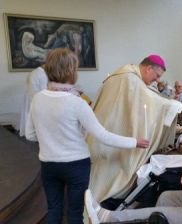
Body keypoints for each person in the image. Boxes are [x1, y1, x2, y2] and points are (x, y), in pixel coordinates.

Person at [24, 48, 149, 224]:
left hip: (48, 165)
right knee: (75, 213)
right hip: (76, 166)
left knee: (53, 210)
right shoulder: (76, 103)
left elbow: (30, 134)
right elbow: (102, 135)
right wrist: (134, 142)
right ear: (71, 71)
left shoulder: (37, 99)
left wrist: (51, 138)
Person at [87, 55, 182, 202]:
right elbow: (153, 101)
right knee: (108, 176)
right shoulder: (130, 80)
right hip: (112, 134)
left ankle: (95, 201)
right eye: (157, 75)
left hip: (110, 131)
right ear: (149, 68)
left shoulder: (125, 76)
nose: (157, 80)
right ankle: (97, 204)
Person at [19, 66, 48, 137]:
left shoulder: (34, 72)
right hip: (37, 97)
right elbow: (44, 90)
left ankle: (29, 131)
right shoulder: (42, 74)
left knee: (28, 114)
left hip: (29, 96)